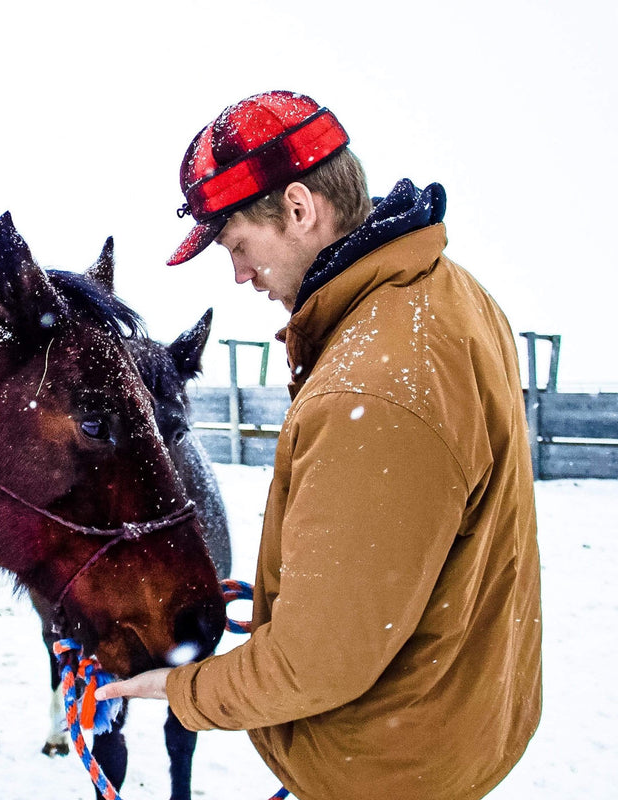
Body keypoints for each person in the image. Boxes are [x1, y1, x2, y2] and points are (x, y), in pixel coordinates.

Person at [97, 89, 542, 800]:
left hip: (384, 768)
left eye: (238, 246)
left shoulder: (370, 390)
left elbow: (315, 665)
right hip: (454, 715)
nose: (239, 275)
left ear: (300, 209)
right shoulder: (448, 293)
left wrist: (183, 689)